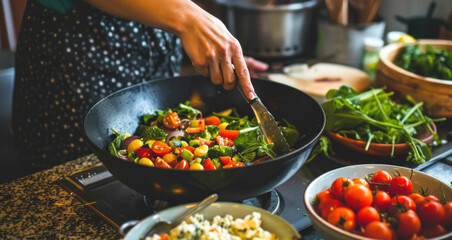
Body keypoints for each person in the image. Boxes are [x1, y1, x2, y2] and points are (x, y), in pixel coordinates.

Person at [12, 0, 269, 173]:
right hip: (78, 43)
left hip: (151, 33)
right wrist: (189, 18)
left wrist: (216, 58)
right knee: (81, 173)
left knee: (150, 132)